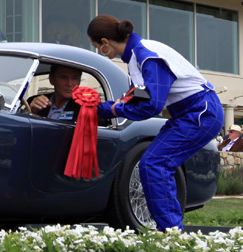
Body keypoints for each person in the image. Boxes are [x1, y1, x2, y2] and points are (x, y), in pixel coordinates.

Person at [88, 15, 222, 232]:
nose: (99, 51)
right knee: (153, 163)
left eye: (97, 47)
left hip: (201, 112)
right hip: (191, 113)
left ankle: (170, 233)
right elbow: (139, 99)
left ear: (105, 43)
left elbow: (151, 105)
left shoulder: (145, 55)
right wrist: (110, 107)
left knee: (154, 163)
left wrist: (111, 109)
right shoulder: (135, 56)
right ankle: (169, 230)